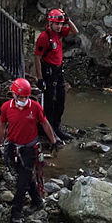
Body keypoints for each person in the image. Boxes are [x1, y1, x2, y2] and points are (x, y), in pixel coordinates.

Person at [0, 78, 59, 223]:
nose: (23, 100)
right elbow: (2, 126)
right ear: (14, 95)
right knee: (25, 177)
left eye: (26, 97)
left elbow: (44, 123)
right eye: (21, 97)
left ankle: (16, 214)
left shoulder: (35, 107)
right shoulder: (6, 108)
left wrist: (54, 141)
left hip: (30, 150)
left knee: (21, 183)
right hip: (12, 148)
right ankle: (37, 201)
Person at [35, 8, 79, 141]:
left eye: (61, 24)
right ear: (50, 23)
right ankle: (48, 129)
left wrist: (68, 20)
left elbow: (75, 32)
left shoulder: (58, 34)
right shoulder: (44, 37)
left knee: (60, 100)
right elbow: (37, 57)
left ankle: (56, 127)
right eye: (57, 24)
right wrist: (40, 78)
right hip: (49, 72)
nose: (60, 27)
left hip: (58, 70)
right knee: (49, 102)